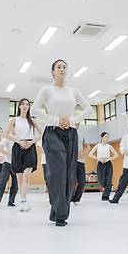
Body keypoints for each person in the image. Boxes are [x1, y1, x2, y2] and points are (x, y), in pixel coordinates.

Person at [31, 59, 92, 227]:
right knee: (57, 172)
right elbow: (33, 110)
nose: (62, 69)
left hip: (71, 133)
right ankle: (61, 214)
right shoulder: (46, 90)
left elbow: (88, 109)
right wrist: (55, 120)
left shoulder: (73, 91)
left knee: (68, 174)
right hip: (52, 133)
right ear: (52, 72)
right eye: (58, 67)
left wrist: (72, 120)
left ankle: (56, 209)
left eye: (64, 67)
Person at [5, 98, 40, 212]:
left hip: (30, 148)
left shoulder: (32, 121)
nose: (25, 106)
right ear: (19, 106)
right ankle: (21, 200)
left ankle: (24, 201)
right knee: (19, 178)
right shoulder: (14, 120)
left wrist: (33, 141)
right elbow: (6, 134)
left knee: (26, 176)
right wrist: (18, 141)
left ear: (29, 107)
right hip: (17, 148)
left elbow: (43, 133)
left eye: (27, 104)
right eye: (23, 104)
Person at [88, 132, 119, 201]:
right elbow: (90, 154)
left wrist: (109, 159)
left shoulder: (109, 146)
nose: (107, 138)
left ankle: (105, 196)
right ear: (102, 137)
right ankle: (108, 188)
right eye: (105, 137)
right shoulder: (97, 146)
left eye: (108, 137)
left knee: (108, 180)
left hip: (108, 164)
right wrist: (98, 158)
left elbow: (116, 155)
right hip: (100, 164)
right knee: (101, 181)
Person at [72, 124, 89, 204]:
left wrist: (83, 154)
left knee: (82, 181)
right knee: (72, 181)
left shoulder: (82, 133)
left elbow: (88, 146)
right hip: (71, 160)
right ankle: (70, 198)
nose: (77, 125)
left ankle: (76, 198)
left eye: (78, 123)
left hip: (81, 160)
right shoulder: (68, 132)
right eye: (75, 123)